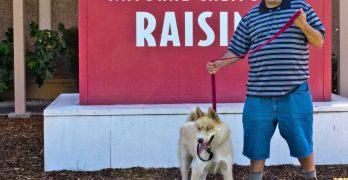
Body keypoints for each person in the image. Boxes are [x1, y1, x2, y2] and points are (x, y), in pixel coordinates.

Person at [207, 0, 325, 179]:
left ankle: (311, 177)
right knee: (256, 147)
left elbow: (319, 40)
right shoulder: (251, 16)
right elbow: (237, 49)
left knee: (302, 143)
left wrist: (304, 25)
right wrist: (219, 64)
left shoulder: (301, 8)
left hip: (294, 93)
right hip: (258, 95)